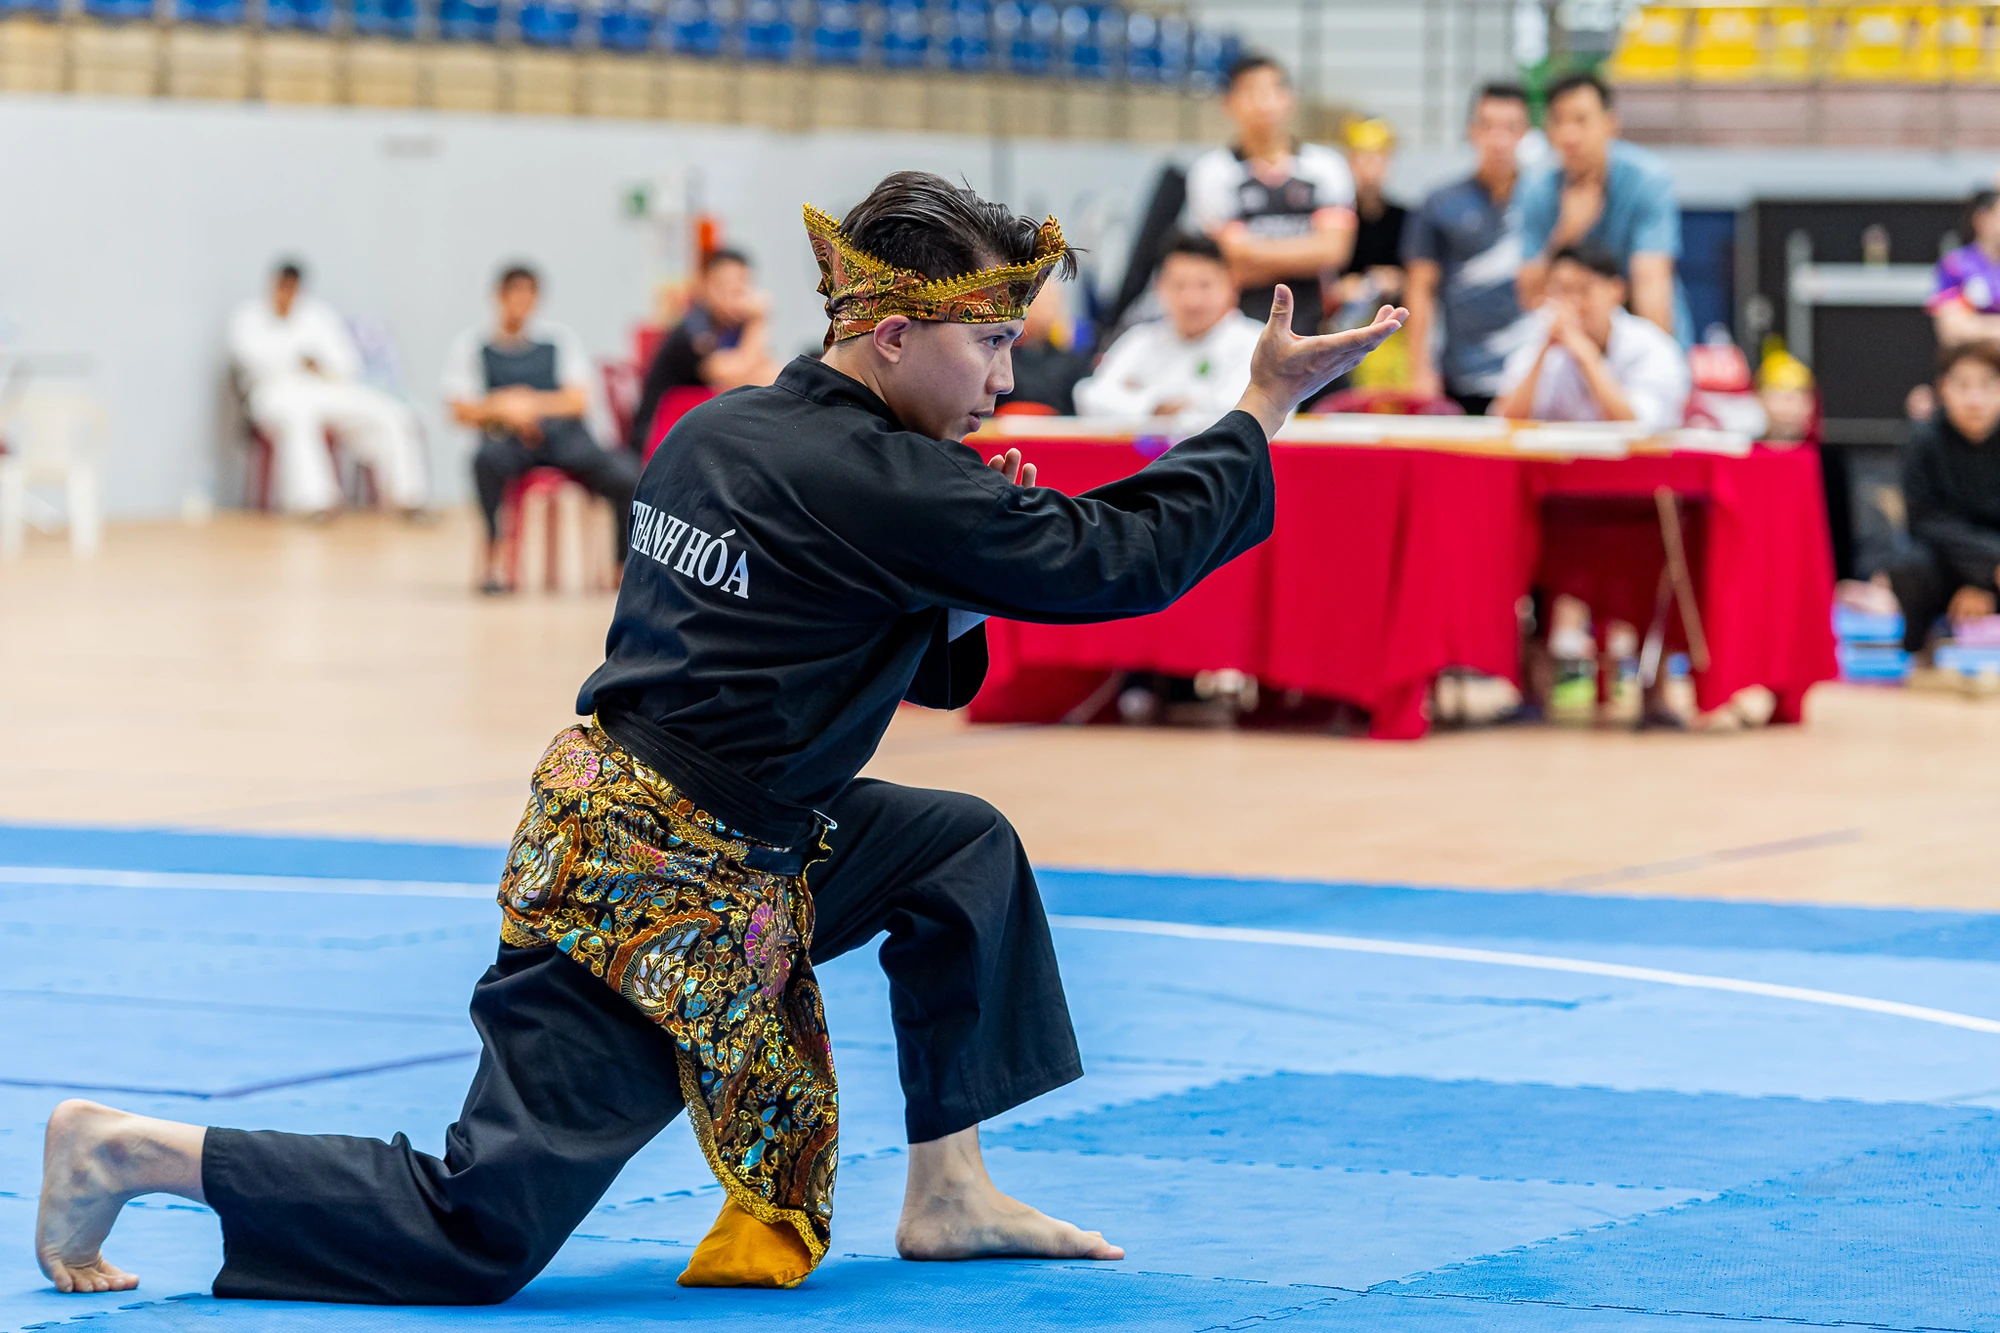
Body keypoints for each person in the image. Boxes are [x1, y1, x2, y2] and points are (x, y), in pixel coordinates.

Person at [36, 170, 1406, 1304]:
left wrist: (951, 551)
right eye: (988, 342)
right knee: (477, 1227)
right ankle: (134, 1151)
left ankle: (948, 1191)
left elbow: (823, 639)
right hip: (642, 886)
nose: (1005, 372)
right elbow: (1123, 560)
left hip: (738, 826)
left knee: (956, 849)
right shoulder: (886, 479)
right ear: (892, 336)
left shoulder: (720, 431)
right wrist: (1262, 408)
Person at [445, 264, 641, 593]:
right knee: (484, 462)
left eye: (529, 296)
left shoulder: (559, 341)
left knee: (626, 474)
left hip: (565, 440)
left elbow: (577, 400)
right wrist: (502, 406)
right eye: (514, 296)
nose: (521, 304)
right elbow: (460, 408)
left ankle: (622, 566)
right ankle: (496, 560)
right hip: (507, 440)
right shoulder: (472, 345)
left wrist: (529, 403)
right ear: (499, 297)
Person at [226, 259, 428, 516]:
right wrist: (297, 361)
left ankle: (408, 498)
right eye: (281, 287)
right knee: (299, 418)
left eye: (292, 288)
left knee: (391, 413)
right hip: (275, 394)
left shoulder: (318, 316)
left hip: (325, 389)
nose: (285, 294)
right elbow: (250, 359)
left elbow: (347, 364)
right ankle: (313, 502)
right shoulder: (248, 317)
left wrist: (316, 366)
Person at [1186, 53, 1357, 336]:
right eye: (1250, 91)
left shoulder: (1327, 167)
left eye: (1272, 90)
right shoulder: (1211, 172)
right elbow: (1230, 260)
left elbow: (1334, 250)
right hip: (1237, 326)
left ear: (1291, 98)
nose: (1263, 103)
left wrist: (1252, 252)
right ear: (1228, 102)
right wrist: (1308, 254)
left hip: (1317, 324)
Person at [1516, 72, 1690, 345]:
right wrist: (1566, 232)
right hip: (1571, 343)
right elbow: (1530, 297)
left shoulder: (1646, 181)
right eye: (1559, 121)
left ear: (1610, 124)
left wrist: (1651, 361)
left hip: (1638, 341)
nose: (1569, 134)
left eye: (1581, 120)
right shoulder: (1537, 190)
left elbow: (1651, 285)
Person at [1403, 83, 1534, 416]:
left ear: (1525, 133)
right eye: (1488, 126)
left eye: (1510, 128)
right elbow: (1420, 289)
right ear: (1472, 131)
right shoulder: (1440, 203)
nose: (1498, 139)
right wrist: (1420, 369)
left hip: (1530, 378)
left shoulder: (1546, 201)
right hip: (1461, 377)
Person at [1492, 243, 1690, 433]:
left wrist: (1587, 356)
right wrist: (1543, 351)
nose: (1573, 302)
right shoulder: (1539, 337)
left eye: (1583, 290)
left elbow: (1638, 428)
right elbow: (1505, 420)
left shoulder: (1651, 347)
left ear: (1616, 290)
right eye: (1561, 290)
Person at [1074, 231, 1263, 424]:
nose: (1191, 300)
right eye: (1179, 286)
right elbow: (1089, 396)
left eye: (1204, 285)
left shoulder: (1256, 343)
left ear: (1232, 285)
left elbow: (1236, 414)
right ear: (1158, 288)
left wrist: (1135, 396)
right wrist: (1155, 406)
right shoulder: (1141, 339)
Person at [1885, 340, 2000, 653]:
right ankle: (1918, 650)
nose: (1975, 400)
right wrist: (1988, 567)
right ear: (1944, 389)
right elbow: (1924, 520)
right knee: (1908, 565)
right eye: (1963, 386)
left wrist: (1985, 586)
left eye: (1987, 385)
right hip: (1947, 562)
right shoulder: (1922, 439)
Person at [627, 248, 781, 455]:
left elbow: (770, 374)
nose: (737, 297)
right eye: (727, 287)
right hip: (662, 439)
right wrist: (759, 321)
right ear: (706, 285)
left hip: (699, 433)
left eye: (742, 289)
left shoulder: (733, 328)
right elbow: (729, 376)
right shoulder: (692, 327)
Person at [1336, 117, 1408, 315]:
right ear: (1349, 162)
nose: (1370, 168)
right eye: (1363, 159)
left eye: (1378, 159)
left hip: (1394, 322)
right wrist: (1339, 288)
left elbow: (1422, 277)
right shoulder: (1334, 219)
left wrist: (1396, 279)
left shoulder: (1405, 218)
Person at [996, 279, 1093, 414]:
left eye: (1052, 304)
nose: (1046, 313)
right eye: (1039, 305)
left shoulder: (1074, 363)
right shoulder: (1002, 357)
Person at [1927, 189, 2000, 351]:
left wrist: (1977, 324)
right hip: (1975, 357)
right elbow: (1951, 330)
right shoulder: (1956, 264)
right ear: (1982, 219)